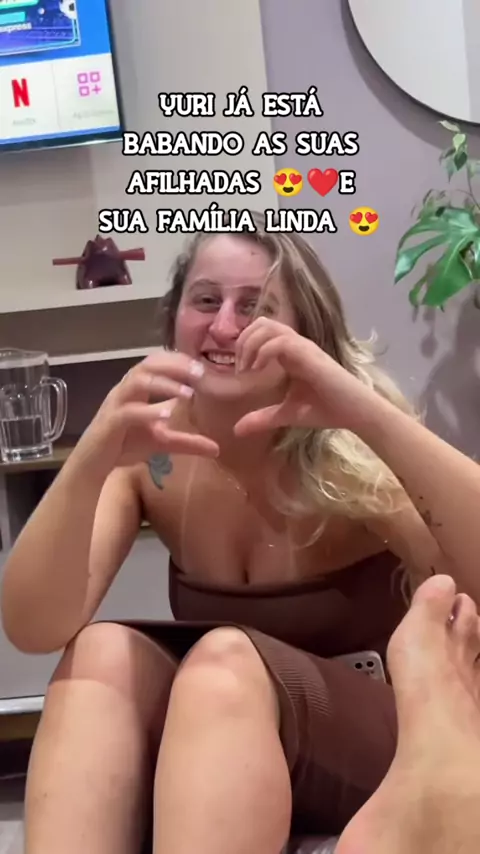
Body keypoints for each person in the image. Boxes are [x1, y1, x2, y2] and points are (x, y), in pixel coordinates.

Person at [2, 210, 480, 854]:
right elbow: (33, 628)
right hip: (223, 730)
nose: (225, 327)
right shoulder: (152, 451)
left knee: (224, 663)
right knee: (99, 654)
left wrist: (361, 410)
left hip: (373, 734)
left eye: (254, 306)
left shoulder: (351, 444)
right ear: (174, 317)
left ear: (303, 332)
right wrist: (92, 455)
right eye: (205, 301)